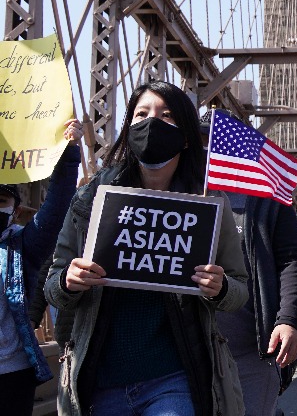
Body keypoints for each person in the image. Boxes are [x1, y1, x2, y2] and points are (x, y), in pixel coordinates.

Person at [44, 81, 249, 416]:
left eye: (166, 116)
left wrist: (220, 287)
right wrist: (69, 280)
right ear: (128, 127)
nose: (151, 123)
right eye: (141, 114)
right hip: (100, 381)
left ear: (185, 135)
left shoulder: (208, 205)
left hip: (175, 378)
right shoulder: (90, 199)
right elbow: (53, 287)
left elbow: (239, 288)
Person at [198, 112, 297, 416]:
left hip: (250, 349)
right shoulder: (173, 188)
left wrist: (289, 320)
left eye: (213, 142)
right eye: (199, 142)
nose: (207, 150)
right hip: (187, 348)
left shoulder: (265, 195)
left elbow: (292, 258)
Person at [0, 120, 81, 415]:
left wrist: (69, 154)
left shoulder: (23, 246)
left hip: (11, 374)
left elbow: (57, 207)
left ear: (16, 211)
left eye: (2, 200)